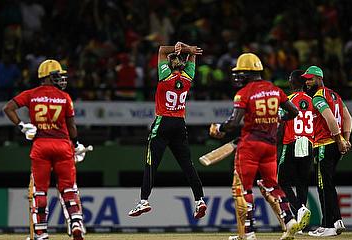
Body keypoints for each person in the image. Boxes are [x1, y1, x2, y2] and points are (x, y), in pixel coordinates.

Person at [209, 53, 300, 240]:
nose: (237, 76)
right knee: (272, 185)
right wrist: (277, 117)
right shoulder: (275, 90)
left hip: (250, 146)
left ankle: (248, 233)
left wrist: (219, 128)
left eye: (241, 72)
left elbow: (234, 122)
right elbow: (294, 112)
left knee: (244, 189)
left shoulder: (244, 93)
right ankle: (290, 220)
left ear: (249, 73)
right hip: (270, 146)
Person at [3, 59, 86, 240]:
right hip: (63, 146)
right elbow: (71, 126)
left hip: (41, 146)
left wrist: (22, 126)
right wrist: (77, 144)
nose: (61, 79)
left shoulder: (31, 94)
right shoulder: (64, 97)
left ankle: (41, 233)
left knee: (40, 190)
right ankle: (76, 222)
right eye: (57, 75)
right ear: (47, 77)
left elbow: (8, 108)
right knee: (68, 188)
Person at [128, 41, 207, 219]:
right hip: (180, 123)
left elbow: (162, 50)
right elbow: (193, 52)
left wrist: (178, 48)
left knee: (151, 164)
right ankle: (199, 200)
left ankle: (144, 201)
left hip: (163, 122)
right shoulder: (188, 78)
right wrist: (187, 49)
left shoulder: (165, 77)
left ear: (169, 64)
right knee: (188, 165)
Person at [302, 66, 352, 237]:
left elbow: (330, 118)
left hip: (324, 144)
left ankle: (330, 225)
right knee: (326, 184)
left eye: (310, 79)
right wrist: (346, 139)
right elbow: (347, 117)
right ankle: (332, 222)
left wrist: (339, 140)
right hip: (333, 145)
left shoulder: (318, 97)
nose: (307, 82)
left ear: (319, 78)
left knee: (324, 185)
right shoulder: (335, 95)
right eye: (306, 79)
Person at [278, 70, 313, 233]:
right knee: (302, 182)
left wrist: (275, 143)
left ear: (291, 82)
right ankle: (300, 224)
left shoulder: (288, 101)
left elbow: (281, 125)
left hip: (292, 142)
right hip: (309, 143)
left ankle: (299, 209)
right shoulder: (313, 101)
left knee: (282, 181)